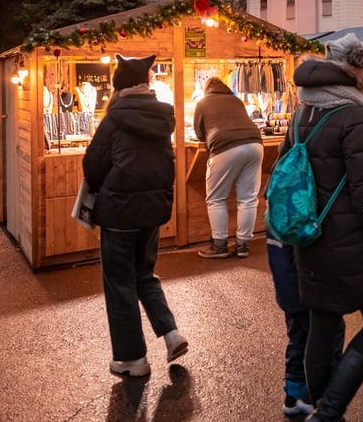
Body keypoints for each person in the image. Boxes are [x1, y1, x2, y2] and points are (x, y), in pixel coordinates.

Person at [282, 33, 363, 422]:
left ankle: (327, 417)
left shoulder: (303, 109)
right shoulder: (351, 114)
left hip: (308, 237)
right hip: (348, 242)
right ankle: (327, 416)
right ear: (358, 70)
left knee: (323, 319)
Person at [82, 53, 187, 377]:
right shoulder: (163, 116)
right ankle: (171, 333)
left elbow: (93, 164)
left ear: (119, 85)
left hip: (119, 213)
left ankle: (132, 359)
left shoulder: (114, 118)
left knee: (119, 283)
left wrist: (100, 191)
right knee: (144, 274)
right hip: (152, 212)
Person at [266, 236, 346, 418]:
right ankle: (317, 399)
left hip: (287, 292)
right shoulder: (302, 214)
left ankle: (293, 397)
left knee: (298, 339)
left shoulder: (275, 215)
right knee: (328, 338)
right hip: (308, 292)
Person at [193, 77, 264, 259]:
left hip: (225, 147)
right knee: (248, 199)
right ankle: (243, 246)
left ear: (206, 89)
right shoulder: (236, 100)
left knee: (216, 199)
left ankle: (219, 246)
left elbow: (199, 133)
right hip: (255, 144)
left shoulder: (203, 102)